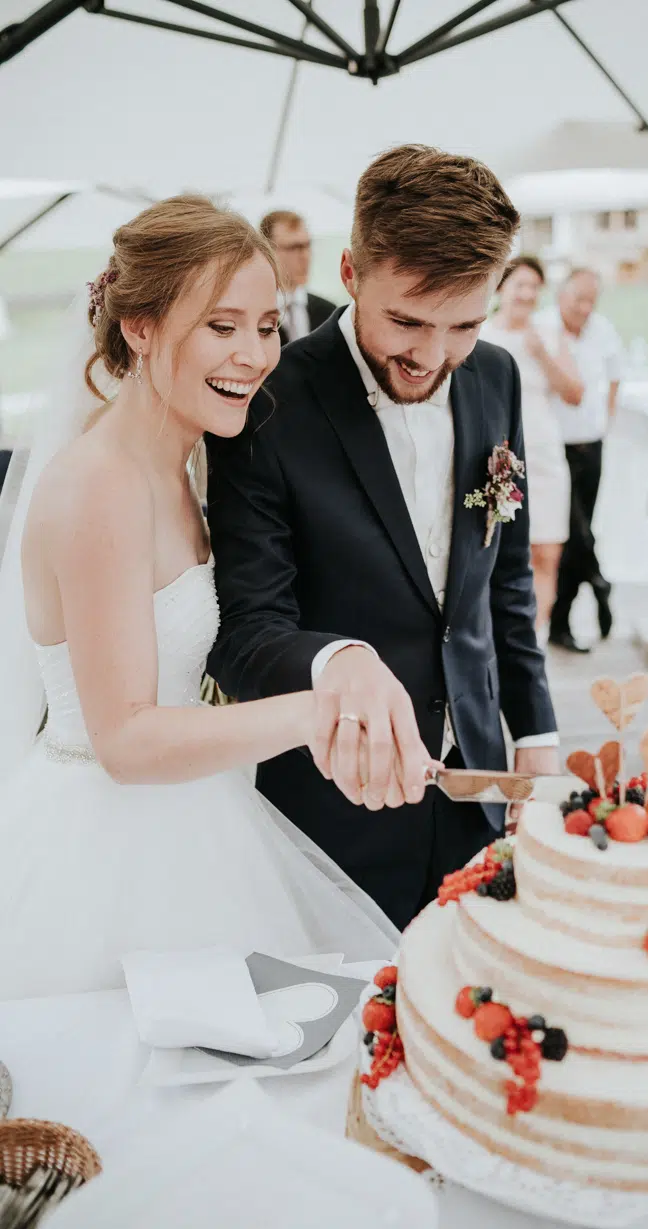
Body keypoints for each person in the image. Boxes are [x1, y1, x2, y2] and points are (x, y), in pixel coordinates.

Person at [0, 196, 400, 1002]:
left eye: (264, 325)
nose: (253, 354)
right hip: (105, 852)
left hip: (199, 819)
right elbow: (126, 738)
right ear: (140, 327)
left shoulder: (181, 464)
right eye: (221, 325)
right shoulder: (101, 484)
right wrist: (316, 709)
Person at [207, 145, 559, 932]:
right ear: (351, 272)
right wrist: (339, 661)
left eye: (464, 323)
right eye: (407, 320)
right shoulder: (265, 403)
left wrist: (535, 732)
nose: (432, 356)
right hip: (330, 804)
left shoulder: (495, 376)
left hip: (477, 786)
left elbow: (501, 578)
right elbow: (246, 631)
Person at [480, 257, 570, 632]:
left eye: (535, 286)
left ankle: (539, 636)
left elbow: (575, 392)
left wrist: (542, 353)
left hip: (544, 450)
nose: (528, 294)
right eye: (521, 284)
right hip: (497, 453)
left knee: (546, 552)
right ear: (502, 287)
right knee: (498, 550)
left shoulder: (548, 334)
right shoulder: (482, 333)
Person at [543, 268, 624, 654]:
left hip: (592, 446)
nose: (585, 307)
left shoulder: (603, 330)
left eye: (592, 300)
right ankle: (599, 579)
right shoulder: (543, 328)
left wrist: (605, 421)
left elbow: (614, 378)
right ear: (562, 295)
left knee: (580, 534)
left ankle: (563, 621)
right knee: (572, 535)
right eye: (578, 298)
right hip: (552, 449)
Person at [259, 209, 335, 345]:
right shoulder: (254, 314)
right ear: (267, 251)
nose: (305, 256)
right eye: (295, 247)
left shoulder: (329, 312)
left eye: (307, 245)